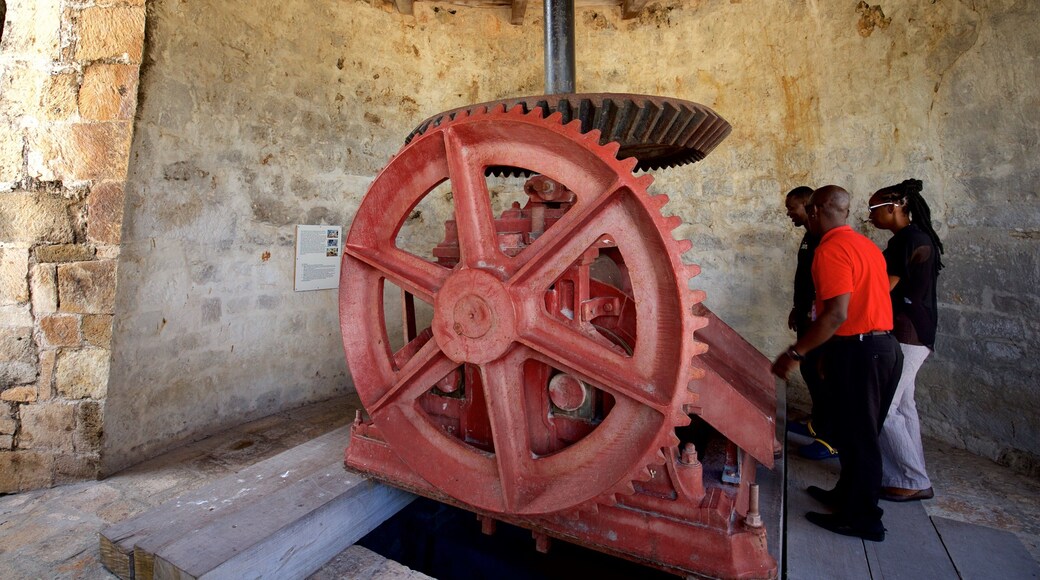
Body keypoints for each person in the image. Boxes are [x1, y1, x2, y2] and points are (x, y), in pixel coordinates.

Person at [772, 185, 903, 542]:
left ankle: (863, 519)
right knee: (854, 432)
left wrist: (795, 353)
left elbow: (835, 315)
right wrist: (831, 354)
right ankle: (846, 496)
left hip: (864, 351)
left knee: (861, 439)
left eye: (805, 213)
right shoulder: (866, 246)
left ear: (815, 212)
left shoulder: (829, 249)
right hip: (879, 348)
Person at [868, 178, 944, 502]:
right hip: (919, 330)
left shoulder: (907, 241)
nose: (870, 216)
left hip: (908, 332)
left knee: (885, 405)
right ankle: (909, 475)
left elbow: (883, 288)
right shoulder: (916, 237)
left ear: (893, 207)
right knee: (904, 404)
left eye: (873, 210)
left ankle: (912, 479)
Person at [783, 186, 839, 460]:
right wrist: (798, 308)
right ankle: (818, 424)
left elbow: (827, 290)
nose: (788, 214)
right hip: (807, 315)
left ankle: (831, 439)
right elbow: (804, 279)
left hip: (819, 321)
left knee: (823, 375)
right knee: (811, 374)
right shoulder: (809, 236)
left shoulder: (825, 240)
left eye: (791, 208)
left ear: (808, 205)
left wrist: (814, 316)